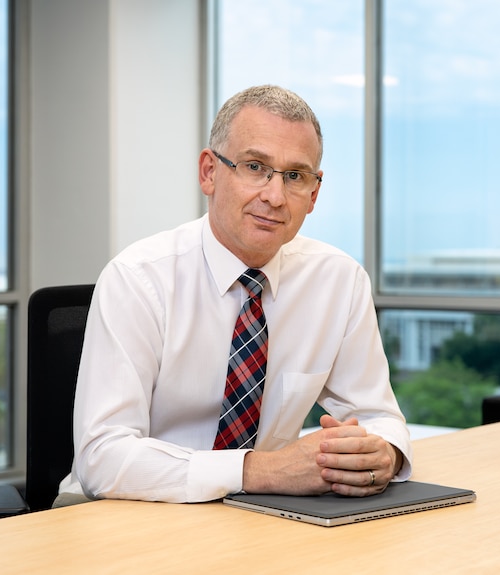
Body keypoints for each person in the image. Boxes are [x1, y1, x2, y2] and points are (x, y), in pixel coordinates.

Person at [57, 84, 412, 504]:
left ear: (314, 194)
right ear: (209, 172)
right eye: (255, 167)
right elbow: (102, 459)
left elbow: (377, 416)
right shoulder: (139, 279)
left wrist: (381, 453)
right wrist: (261, 469)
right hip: (120, 514)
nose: (274, 196)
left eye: (295, 176)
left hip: (257, 514)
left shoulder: (339, 280)